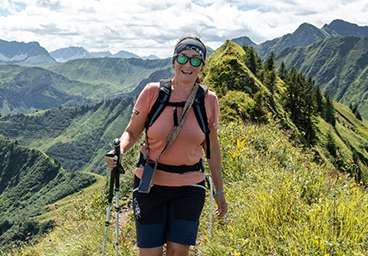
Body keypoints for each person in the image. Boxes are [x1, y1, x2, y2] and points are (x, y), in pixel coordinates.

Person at [106, 35, 227, 256]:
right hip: (150, 184)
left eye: (196, 60)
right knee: (149, 253)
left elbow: (212, 148)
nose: (188, 65)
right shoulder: (153, 92)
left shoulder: (209, 100)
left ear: (202, 66)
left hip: (190, 187)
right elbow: (132, 131)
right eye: (183, 58)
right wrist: (120, 150)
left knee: (177, 253)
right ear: (173, 62)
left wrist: (219, 190)